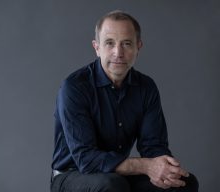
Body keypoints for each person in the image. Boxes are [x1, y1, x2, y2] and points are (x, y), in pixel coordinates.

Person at [51, 10, 199, 192]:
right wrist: (146, 166)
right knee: (112, 186)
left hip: (118, 174)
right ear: (96, 47)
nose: (118, 52)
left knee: (184, 183)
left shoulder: (146, 87)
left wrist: (165, 169)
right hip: (71, 174)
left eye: (127, 44)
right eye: (109, 43)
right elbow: (86, 159)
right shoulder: (74, 87)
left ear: (139, 47)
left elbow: (154, 147)